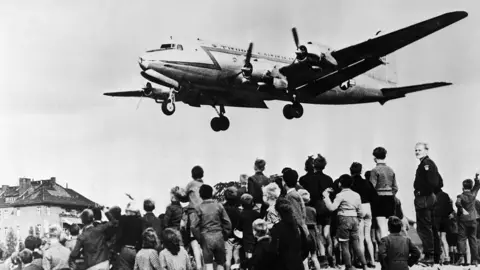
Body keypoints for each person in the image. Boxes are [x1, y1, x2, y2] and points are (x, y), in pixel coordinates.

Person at [323, 174, 368, 270]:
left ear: (340, 184)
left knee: (344, 245)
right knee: (356, 244)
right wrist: (358, 219)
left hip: (344, 219)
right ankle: (364, 265)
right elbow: (361, 212)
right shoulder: (356, 195)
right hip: (355, 219)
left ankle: (349, 266)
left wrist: (326, 197)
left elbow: (332, 208)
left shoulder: (340, 195)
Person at [413, 142, 443, 264]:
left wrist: (422, 192)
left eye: (419, 150)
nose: (417, 152)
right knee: (431, 227)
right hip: (429, 198)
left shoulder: (426, 164)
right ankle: (435, 255)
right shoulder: (428, 163)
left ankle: (429, 255)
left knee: (424, 227)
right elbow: (440, 182)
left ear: (426, 151)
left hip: (424, 199)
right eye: (415, 150)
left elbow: (435, 183)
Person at [190, 184, 232, 270]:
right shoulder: (219, 205)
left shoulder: (198, 207)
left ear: (200, 195)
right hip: (219, 235)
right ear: (211, 193)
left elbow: (193, 226)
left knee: (208, 263)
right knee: (220, 262)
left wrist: (199, 238)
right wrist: (225, 234)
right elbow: (228, 223)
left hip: (205, 237)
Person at [350, 162, 377, 268]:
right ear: (361, 170)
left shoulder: (351, 183)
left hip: (359, 208)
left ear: (351, 170)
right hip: (368, 207)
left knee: (360, 237)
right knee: (368, 237)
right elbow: (374, 196)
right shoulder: (367, 182)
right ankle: (373, 261)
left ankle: (362, 261)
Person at [369, 147, 398, 239]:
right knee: (388, 226)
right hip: (390, 198)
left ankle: (384, 249)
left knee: (381, 227)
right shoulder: (390, 170)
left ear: (374, 158)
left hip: (379, 199)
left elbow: (372, 188)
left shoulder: (374, 170)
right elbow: (395, 187)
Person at [269, 197, 304, 270]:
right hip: (298, 263)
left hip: (283, 264)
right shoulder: (298, 227)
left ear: (277, 212)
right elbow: (305, 247)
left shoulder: (276, 228)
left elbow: (273, 250)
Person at [455, 173, 480, 266]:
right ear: (471, 186)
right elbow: (477, 186)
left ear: (463, 186)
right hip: (473, 219)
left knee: (461, 239)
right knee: (473, 239)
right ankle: (475, 260)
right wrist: (476, 179)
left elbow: (457, 204)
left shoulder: (460, 196)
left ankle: (461, 257)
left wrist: (462, 209)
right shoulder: (473, 195)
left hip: (463, 220)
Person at [114, 201, 144, 270]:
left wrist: (117, 248)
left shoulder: (123, 219)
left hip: (125, 249)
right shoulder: (140, 221)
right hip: (136, 249)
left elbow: (119, 234)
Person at [299, 189, 321, 270]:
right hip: (312, 234)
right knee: (314, 257)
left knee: (304, 258)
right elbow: (315, 223)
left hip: (304, 233)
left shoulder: (300, 210)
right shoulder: (313, 209)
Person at [433, 187, 455, 264]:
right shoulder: (446, 195)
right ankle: (447, 258)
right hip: (445, 219)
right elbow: (450, 209)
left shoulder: (433, 195)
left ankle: (438, 257)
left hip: (436, 219)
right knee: (443, 238)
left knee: (436, 238)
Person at [283, 169, 308, 235]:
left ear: (284, 181)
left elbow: (296, 215)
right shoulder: (295, 194)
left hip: (296, 231)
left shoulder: (291, 196)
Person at [223, 187, 241, 270]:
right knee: (237, 256)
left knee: (227, 257)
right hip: (237, 235)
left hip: (227, 236)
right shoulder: (238, 210)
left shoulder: (222, 209)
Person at [238, 193, 261, 259]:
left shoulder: (241, 215)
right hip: (256, 237)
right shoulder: (257, 214)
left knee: (248, 257)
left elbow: (239, 227)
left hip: (246, 238)